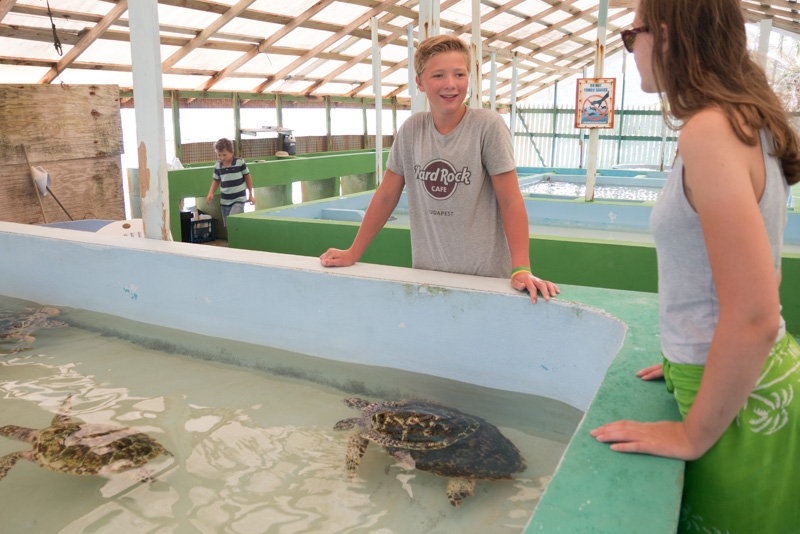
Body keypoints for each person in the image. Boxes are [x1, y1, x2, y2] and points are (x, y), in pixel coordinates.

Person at [590, 1, 800, 532]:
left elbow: (755, 313)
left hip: (738, 409)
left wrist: (692, 434)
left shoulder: (708, 130)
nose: (629, 48)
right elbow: (759, 272)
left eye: (629, 35)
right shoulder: (748, 119)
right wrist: (694, 343)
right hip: (742, 378)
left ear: (662, 36)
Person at [319, 35, 558, 303]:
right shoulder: (411, 130)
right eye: (438, 76)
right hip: (428, 277)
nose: (450, 85)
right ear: (419, 82)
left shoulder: (487, 127)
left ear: (470, 77)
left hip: (485, 279)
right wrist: (353, 252)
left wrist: (522, 268)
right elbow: (387, 195)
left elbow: (510, 200)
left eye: (459, 74)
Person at [205, 138, 255, 227]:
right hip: (225, 200)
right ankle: (233, 241)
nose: (221, 158)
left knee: (231, 222)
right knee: (227, 226)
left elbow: (248, 177)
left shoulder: (239, 162)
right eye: (219, 155)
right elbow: (216, 180)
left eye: (224, 155)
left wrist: (250, 194)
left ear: (232, 152)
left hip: (239, 199)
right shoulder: (217, 166)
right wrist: (210, 193)